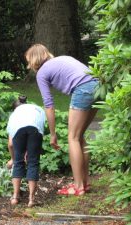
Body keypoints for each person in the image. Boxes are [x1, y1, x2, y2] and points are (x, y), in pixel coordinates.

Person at [25, 44, 99, 196]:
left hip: (83, 89)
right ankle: (85, 183)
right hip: (98, 86)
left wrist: (53, 134)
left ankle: (78, 187)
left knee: (72, 138)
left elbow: (49, 105)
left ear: (33, 61)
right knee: (79, 137)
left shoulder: (41, 73)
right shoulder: (63, 58)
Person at [6, 96, 46, 207]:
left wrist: (13, 159)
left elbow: (10, 144)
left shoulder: (14, 115)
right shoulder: (36, 109)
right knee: (33, 162)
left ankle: (15, 197)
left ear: (14, 109)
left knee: (18, 163)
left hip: (18, 132)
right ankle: (31, 199)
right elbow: (39, 128)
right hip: (35, 130)